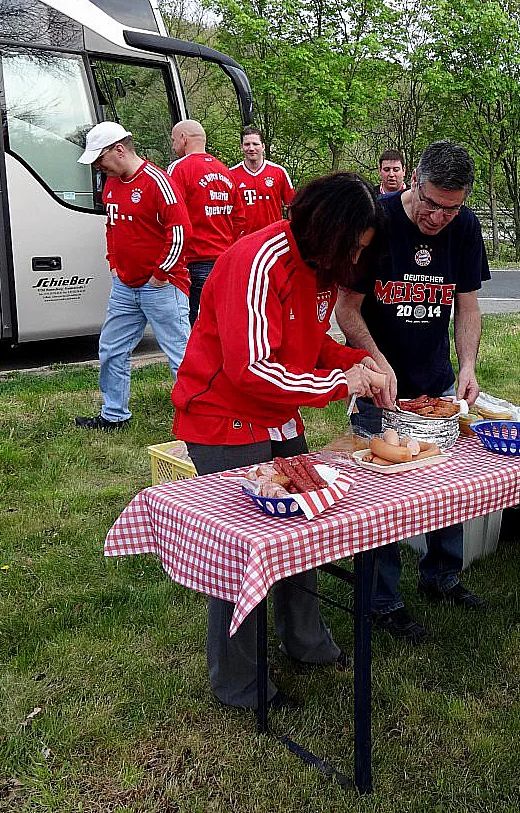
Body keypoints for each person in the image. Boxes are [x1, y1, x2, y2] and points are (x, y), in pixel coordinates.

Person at [171, 172, 391, 710]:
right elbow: (250, 370)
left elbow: (310, 348)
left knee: (303, 530)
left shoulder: (321, 269)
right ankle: (240, 684)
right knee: (241, 552)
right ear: (326, 231)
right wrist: (342, 382)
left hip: (280, 415)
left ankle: (307, 643)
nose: (355, 262)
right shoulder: (258, 260)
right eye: (352, 249)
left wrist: (358, 359)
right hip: (224, 418)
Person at [335, 140, 490, 643]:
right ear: (414, 181)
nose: (439, 217)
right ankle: (383, 599)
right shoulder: (375, 221)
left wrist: (466, 364)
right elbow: (347, 308)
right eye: (431, 203)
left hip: (435, 382)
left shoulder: (465, 228)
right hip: (379, 386)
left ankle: (442, 575)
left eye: (452, 207)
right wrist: (377, 363)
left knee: (447, 482)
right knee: (380, 492)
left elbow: (466, 307)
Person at [74, 121, 191, 431]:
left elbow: (180, 233)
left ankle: (197, 416)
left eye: (101, 159)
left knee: (181, 354)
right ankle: (114, 415)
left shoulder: (157, 182)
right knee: (111, 348)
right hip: (124, 286)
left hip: (162, 287)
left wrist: (161, 275)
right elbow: (112, 226)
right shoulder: (111, 184)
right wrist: (113, 262)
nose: (99, 167)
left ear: (120, 149)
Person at [167, 119, 245, 324]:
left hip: (193, 260)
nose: (174, 146)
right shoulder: (224, 170)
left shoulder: (179, 168)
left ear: (184, 139)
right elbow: (239, 218)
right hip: (224, 260)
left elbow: (170, 214)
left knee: (193, 323)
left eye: (174, 140)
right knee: (218, 321)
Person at [230, 126, 294, 235]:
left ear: (263, 146)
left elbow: (292, 206)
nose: (251, 148)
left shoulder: (278, 172)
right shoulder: (231, 174)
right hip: (243, 240)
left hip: (273, 237)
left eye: (255, 144)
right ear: (241, 147)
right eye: (247, 144)